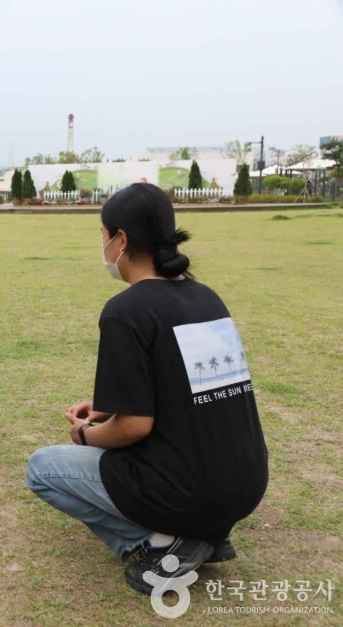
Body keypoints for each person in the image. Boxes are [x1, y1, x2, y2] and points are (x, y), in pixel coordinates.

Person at [25, 183, 268, 595]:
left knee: (43, 468)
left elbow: (134, 427)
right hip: (246, 485)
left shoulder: (126, 310)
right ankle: (203, 532)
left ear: (121, 240)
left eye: (103, 237)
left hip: (190, 491)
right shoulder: (207, 297)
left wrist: (85, 433)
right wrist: (107, 408)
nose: (102, 248)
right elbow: (186, 388)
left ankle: (165, 544)